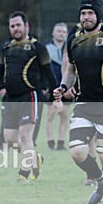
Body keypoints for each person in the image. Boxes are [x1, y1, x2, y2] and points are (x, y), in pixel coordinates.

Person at [54, 0, 103, 204]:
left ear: (99, 15)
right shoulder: (74, 38)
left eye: (90, 13)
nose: (86, 17)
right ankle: (100, 181)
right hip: (84, 103)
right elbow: (70, 70)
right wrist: (63, 87)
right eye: (83, 13)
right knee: (77, 150)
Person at [0, 11, 55, 181]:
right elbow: (0, 70)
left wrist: (56, 95)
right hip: (10, 99)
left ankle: (23, 173)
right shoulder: (6, 48)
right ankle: (35, 158)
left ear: (26, 26)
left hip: (29, 96)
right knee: (10, 139)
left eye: (18, 25)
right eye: (12, 26)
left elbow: (49, 72)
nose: (15, 29)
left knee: (25, 136)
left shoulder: (37, 47)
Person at [45, 22, 70, 150]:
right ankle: (50, 142)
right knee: (51, 115)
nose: (61, 34)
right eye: (59, 31)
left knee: (64, 116)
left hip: (65, 87)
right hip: (51, 87)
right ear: (53, 33)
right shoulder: (47, 50)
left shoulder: (69, 49)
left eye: (64, 32)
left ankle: (61, 142)